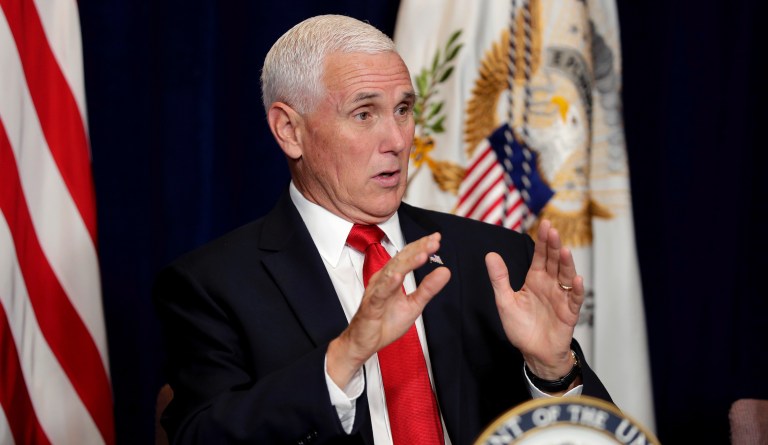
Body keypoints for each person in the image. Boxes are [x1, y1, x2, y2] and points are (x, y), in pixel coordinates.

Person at [154, 14, 612, 445]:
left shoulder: (494, 257)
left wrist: (553, 371)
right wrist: (343, 358)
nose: (397, 141)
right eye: (364, 114)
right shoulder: (213, 285)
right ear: (289, 130)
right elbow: (199, 436)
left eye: (404, 109)